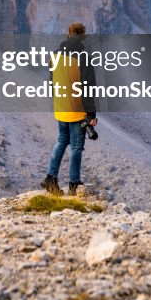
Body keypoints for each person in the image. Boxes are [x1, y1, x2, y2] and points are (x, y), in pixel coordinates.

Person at [41, 22, 98, 196]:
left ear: (68, 34)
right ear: (83, 37)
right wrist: (91, 115)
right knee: (76, 147)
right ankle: (74, 183)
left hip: (61, 107)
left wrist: (58, 102)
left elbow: (51, 83)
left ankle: (51, 177)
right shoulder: (83, 57)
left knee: (61, 141)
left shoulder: (55, 55)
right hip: (77, 109)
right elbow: (89, 88)